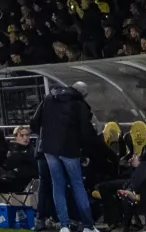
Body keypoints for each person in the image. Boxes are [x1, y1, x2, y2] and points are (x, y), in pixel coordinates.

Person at [31, 81, 97, 232]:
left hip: (48, 148)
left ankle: (64, 225)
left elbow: (34, 122)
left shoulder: (49, 98)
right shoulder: (79, 104)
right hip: (69, 149)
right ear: (84, 94)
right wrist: (85, 151)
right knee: (77, 185)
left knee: (57, 186)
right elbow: (85, 132)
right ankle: (88, 225)